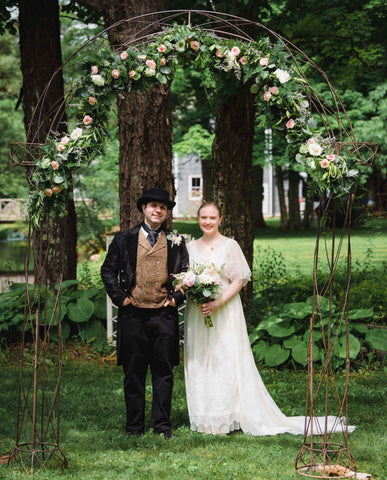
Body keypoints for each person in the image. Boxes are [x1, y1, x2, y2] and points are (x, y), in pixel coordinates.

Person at [184, 201, 354, 436]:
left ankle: (229, 414)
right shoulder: (190, 247)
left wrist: (217, 302)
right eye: (203, 217)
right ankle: (207, 417)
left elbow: (239, 280)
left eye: (212, 217)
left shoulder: (230, 245)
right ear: (198, 219)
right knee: (202, 358)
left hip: (224, 310)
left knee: (225, 357)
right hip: (199, 312)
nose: (208, 222)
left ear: (220, 219)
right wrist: (196, 294)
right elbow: (186, 277)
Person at [101, 188, 188, 438]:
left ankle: (162, 426)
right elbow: (108, 270)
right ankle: (134, 427)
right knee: (133, 372)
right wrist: (121, 298)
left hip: (164, 316)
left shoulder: (176, 241)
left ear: (166, 212)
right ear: (143, 209)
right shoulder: (124, 239)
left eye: (162, 207)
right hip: (133, 315)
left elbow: (187, 274)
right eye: (153, 205)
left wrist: (175, 299)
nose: (157, 210)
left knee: (164, 372)